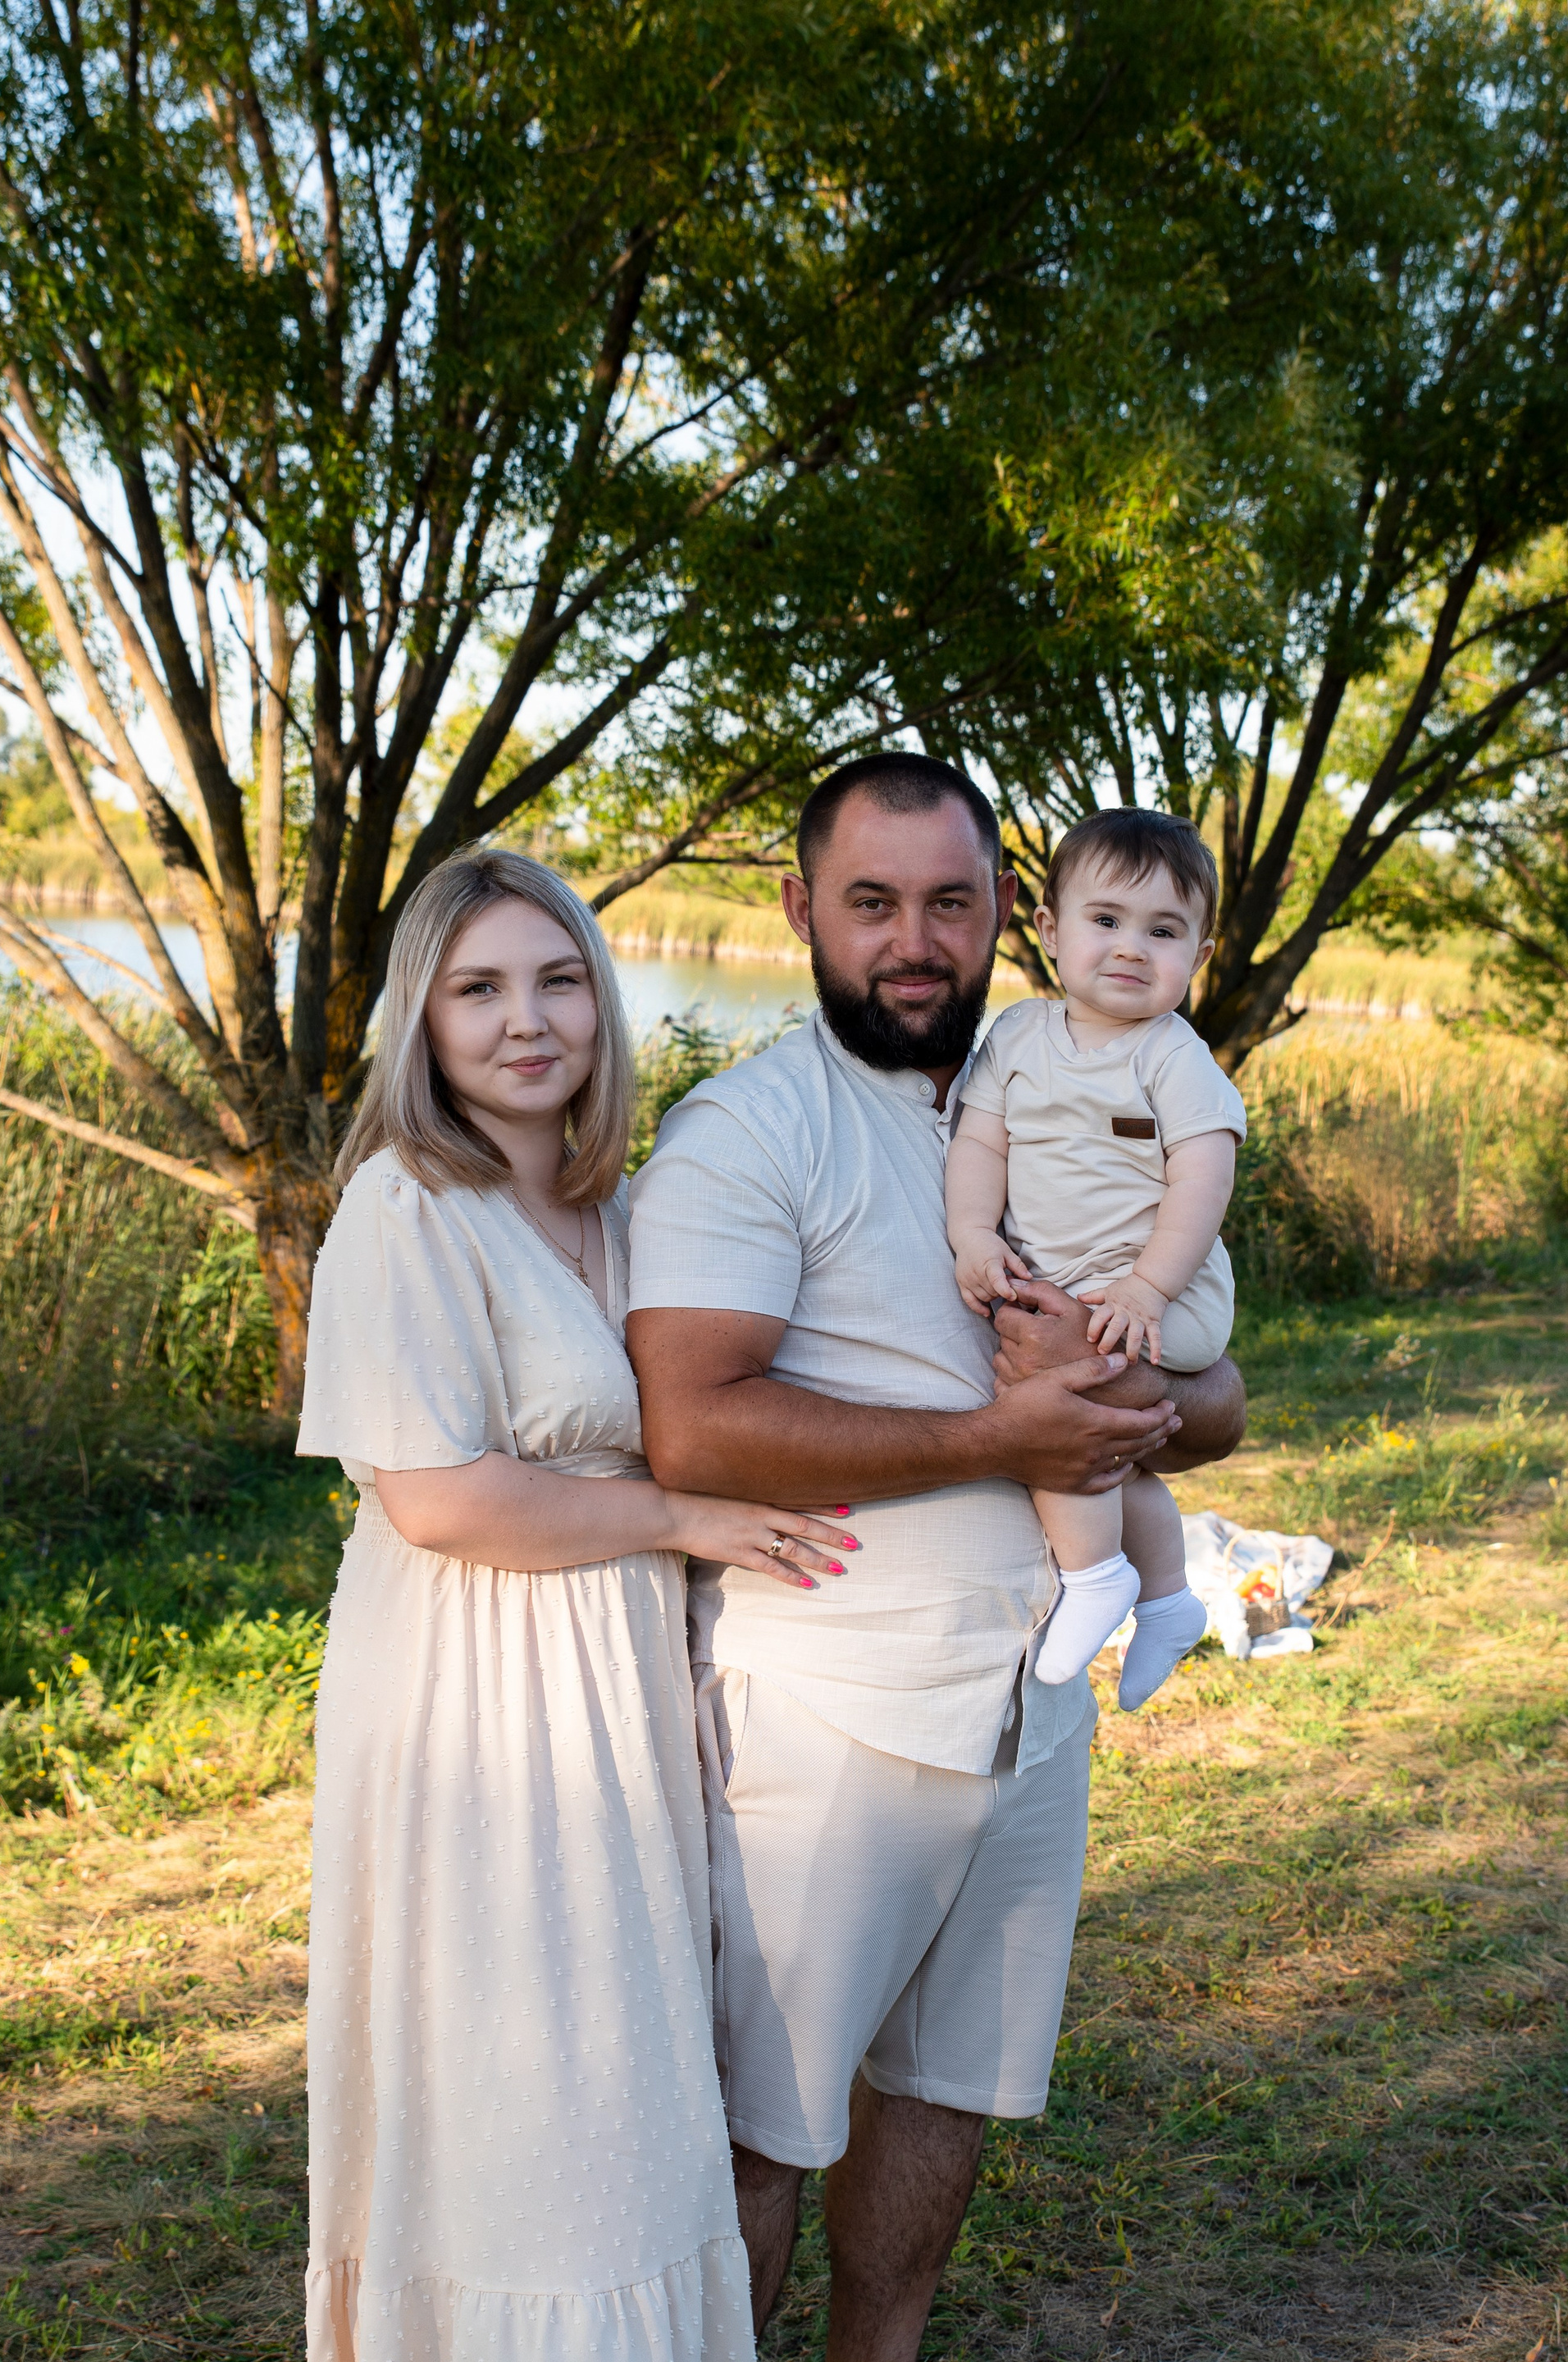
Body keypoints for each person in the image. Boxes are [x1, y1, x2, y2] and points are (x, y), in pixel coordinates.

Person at [625, 755, 1246, 2362]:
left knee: (945, 2097)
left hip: (1033, 1707)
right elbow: (692, 1426)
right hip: (828, 1713)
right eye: (873, 902)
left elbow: (1220, 1401)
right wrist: (1001, 1439)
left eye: (951, 902)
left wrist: (1125, 1398)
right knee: (763, 2128)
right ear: (800, 908)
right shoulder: (746, 1131)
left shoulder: (1084, 1091)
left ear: (1005, 912)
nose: (916, 940)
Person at [297, 849, 856, 2362]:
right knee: (517, 2068)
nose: (525, 1022)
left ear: (601, 1004)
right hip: (471, 1688)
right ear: (423, 1021)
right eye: (478, 990)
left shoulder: (623, 1206)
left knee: (623, 2055)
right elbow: (442, 1497)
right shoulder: (407, 1207)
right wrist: (683, 1519)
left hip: (614, 1669)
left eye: (557, 982)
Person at [946, 805, 1247, 1712]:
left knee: (1052, 1402)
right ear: (1049, 930)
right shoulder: (1017, 1038)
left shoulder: (1172, 1056)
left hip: (1160, 1290)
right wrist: (974, 1233)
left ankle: (1095, 1575)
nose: (1129, 948)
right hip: (1070, 1285)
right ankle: (1169, 1600)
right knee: (1117, 1452)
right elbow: (981, 1143)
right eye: (1106, 919)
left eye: (1163, 932)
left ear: (1198, 957)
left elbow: (1203, 1178)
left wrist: (1148, 1287)